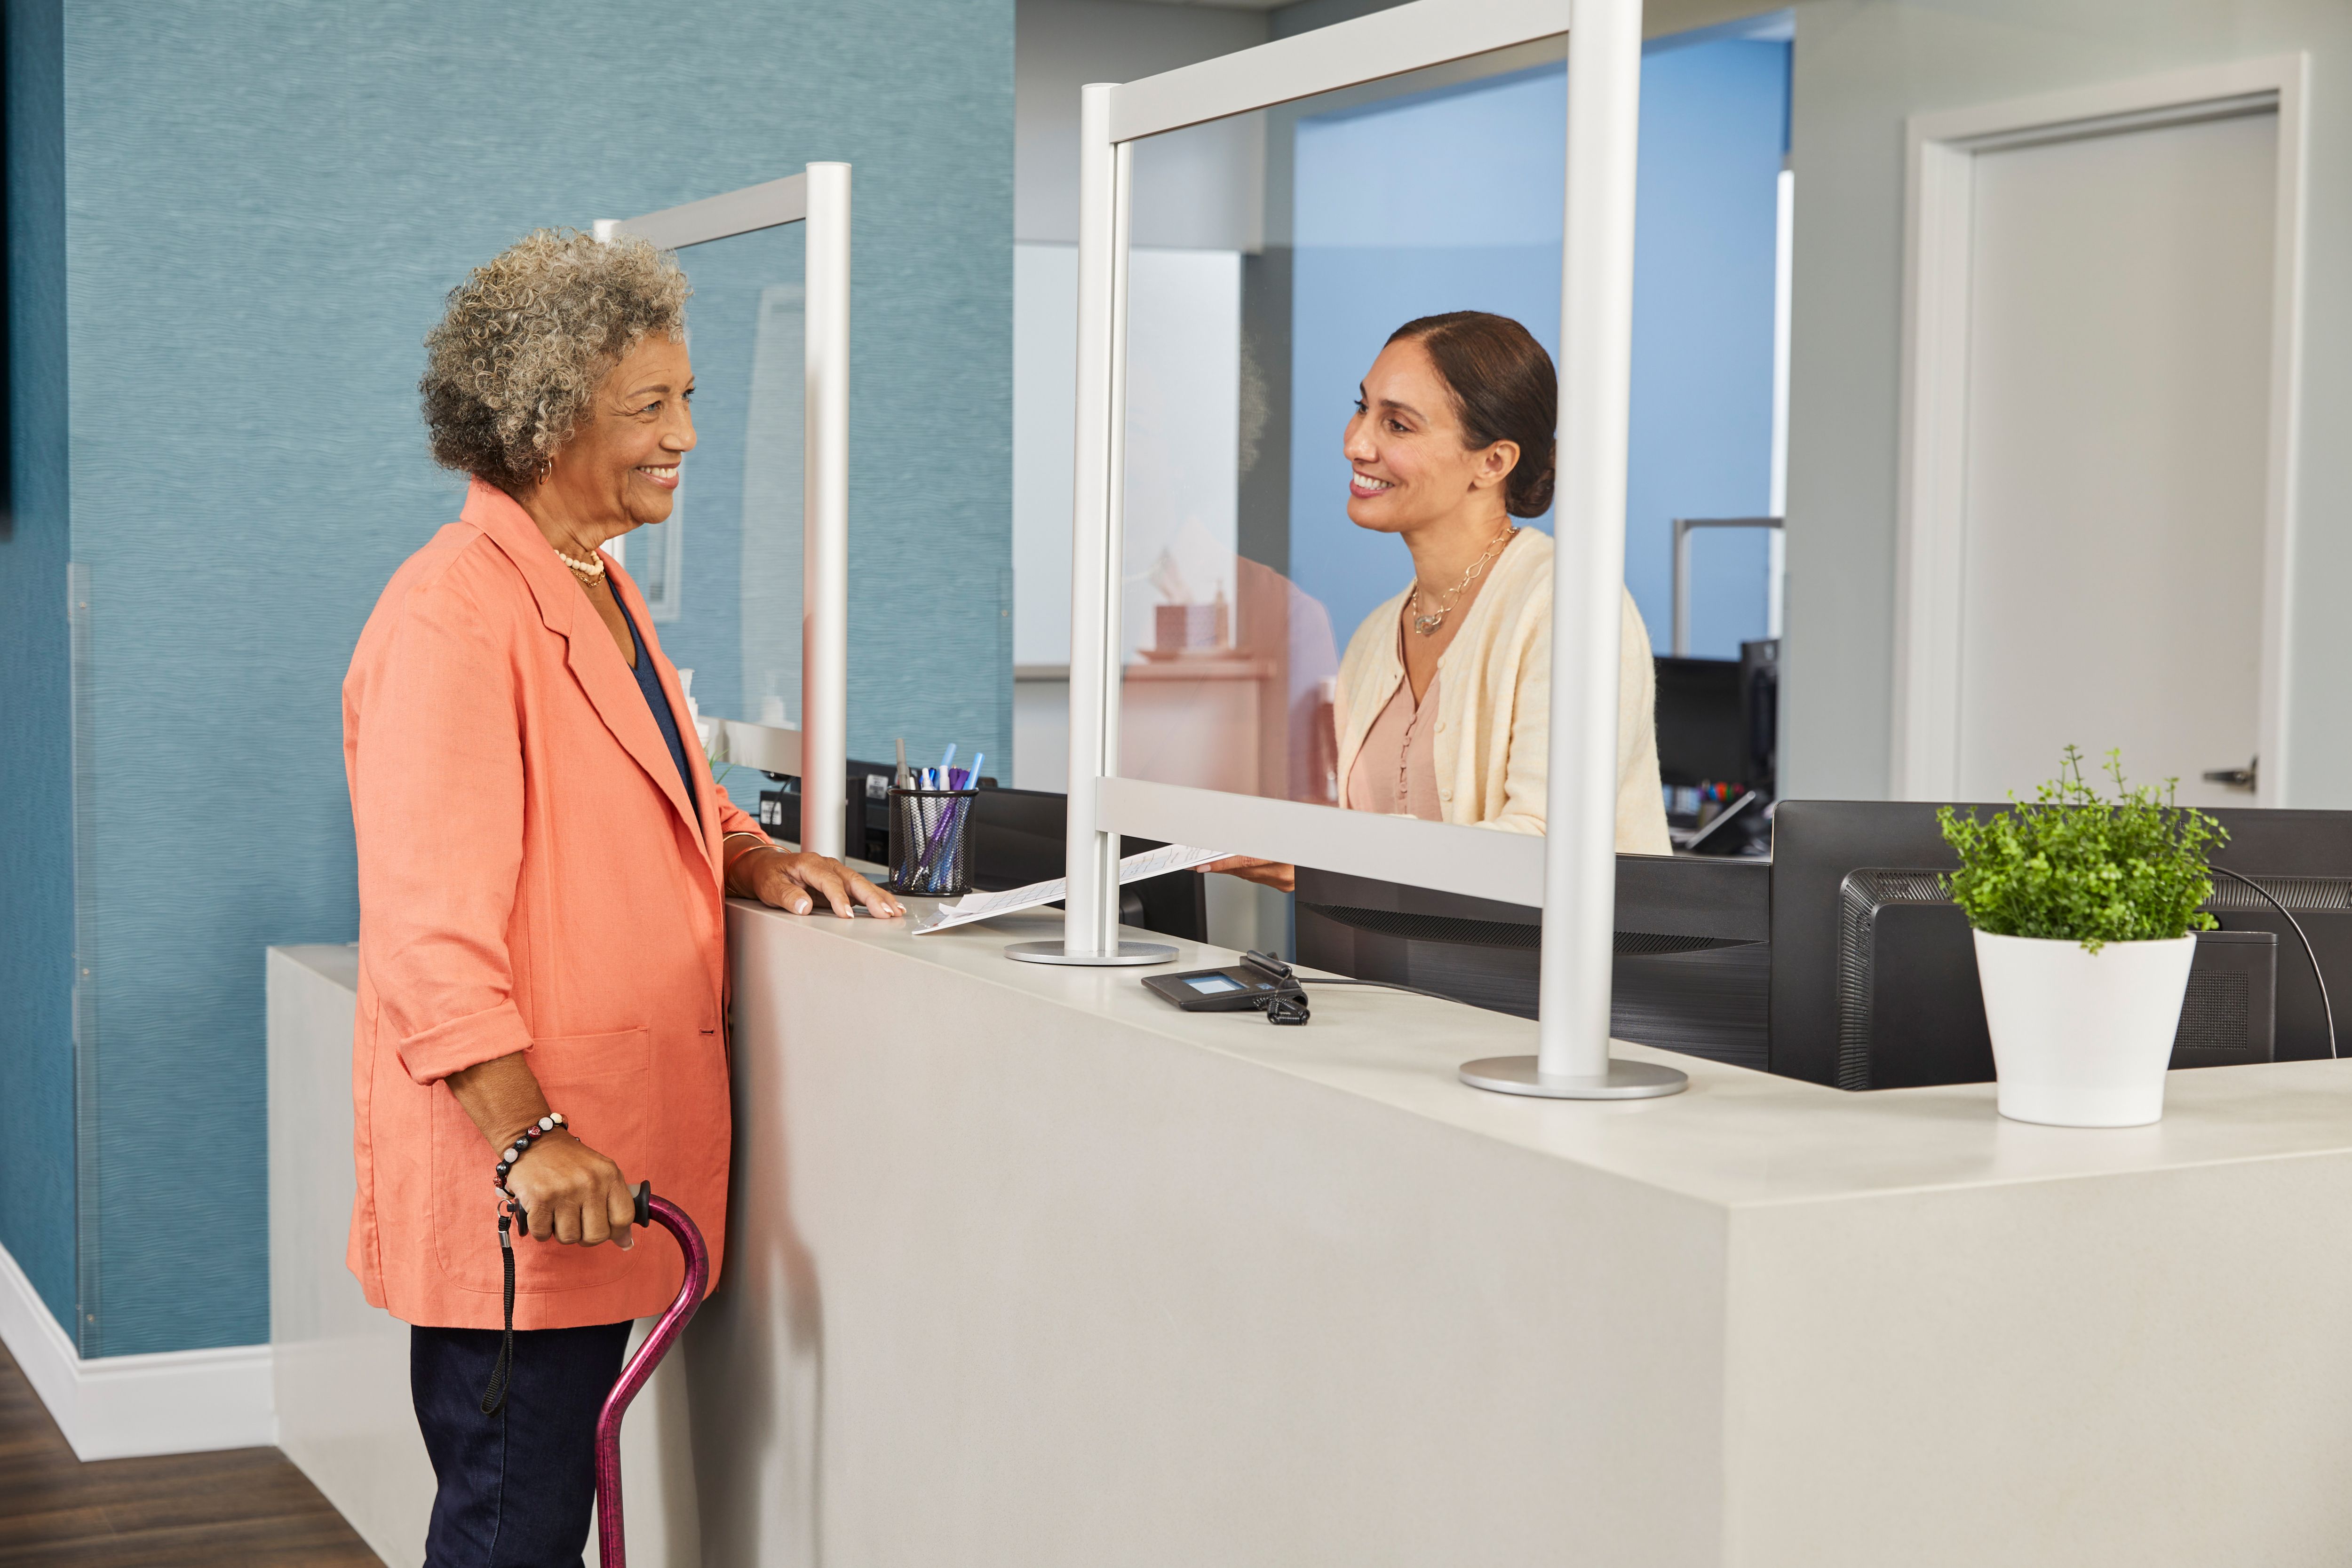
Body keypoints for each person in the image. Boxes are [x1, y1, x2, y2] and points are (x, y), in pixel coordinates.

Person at [343, 229, 901, 1567]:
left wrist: (752, 852)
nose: (687, 437)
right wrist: (528, 1135)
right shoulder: (454, 616)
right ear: (543, 416)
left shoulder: (594, 581)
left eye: (689, 398)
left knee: (541, 1514)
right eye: (652, 405)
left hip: (603, 1165)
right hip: (532, 1181)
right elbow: (429, 930)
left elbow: (670, 773)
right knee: (509, 1528)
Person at [1210, 311, 1670, 892]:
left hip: (1533, 982)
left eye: (1397, 425)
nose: (1356, 443)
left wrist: (1331, 860)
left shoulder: (1571, 609)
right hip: (1395, 984)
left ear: (1493, 462)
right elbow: (1353, 841)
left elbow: (1549, 847)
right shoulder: (1377, 635)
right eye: (1362, 408)